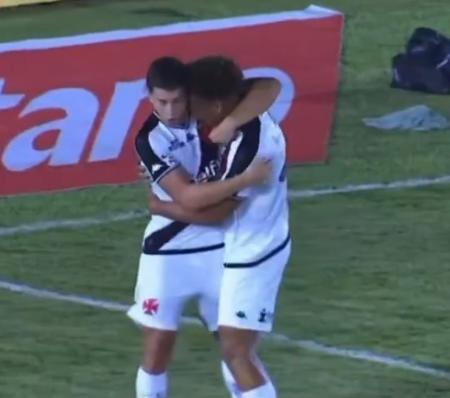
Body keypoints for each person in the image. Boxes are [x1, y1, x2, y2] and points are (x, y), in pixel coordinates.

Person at [127, 56, 281, 398]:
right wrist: (244, 179)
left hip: (221, 246)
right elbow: (190, 197)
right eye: (161, 101)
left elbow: (269, 86)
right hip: (169, 248)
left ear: (190, 95)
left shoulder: (210, 115)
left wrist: (232, 123)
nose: (170, 110)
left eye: (177, 100)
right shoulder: (150, 139)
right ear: (148, 97)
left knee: (234, 346)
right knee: (158, 345)